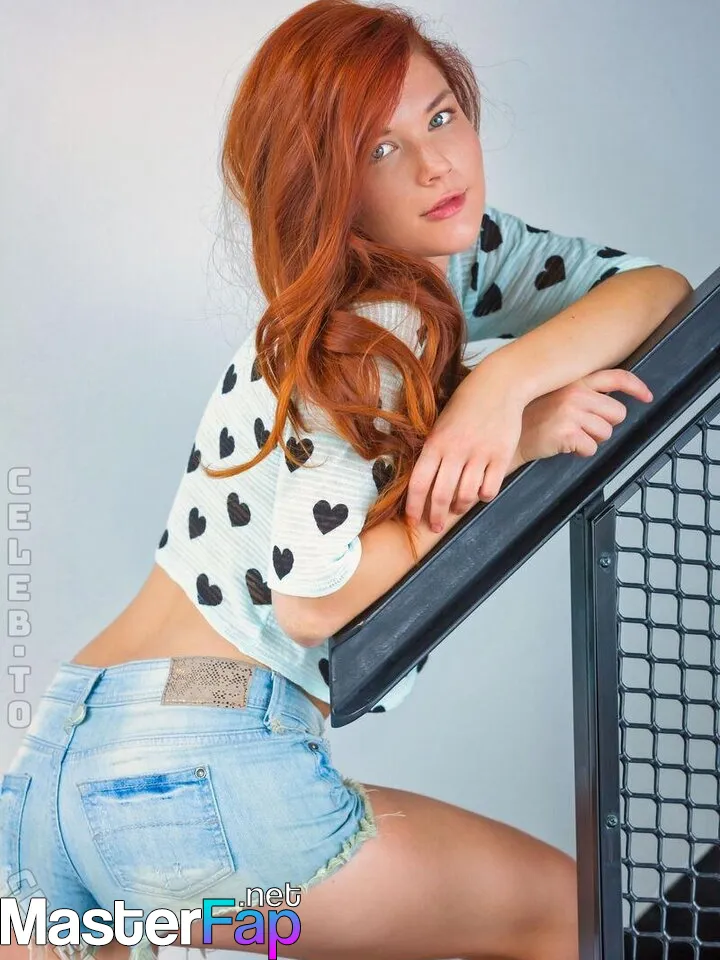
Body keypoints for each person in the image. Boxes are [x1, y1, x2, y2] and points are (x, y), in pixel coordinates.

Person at [2, 2, 691, 959]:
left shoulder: (458, 265)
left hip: (59, 764)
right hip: (199, 760)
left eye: (441, 116)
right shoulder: (373, 328)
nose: (435, 165)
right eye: (379, 149)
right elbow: (311, 599)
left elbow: (655, 291)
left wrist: (501, 385)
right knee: (567, 918)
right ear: (324, 186)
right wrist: (509, 450)